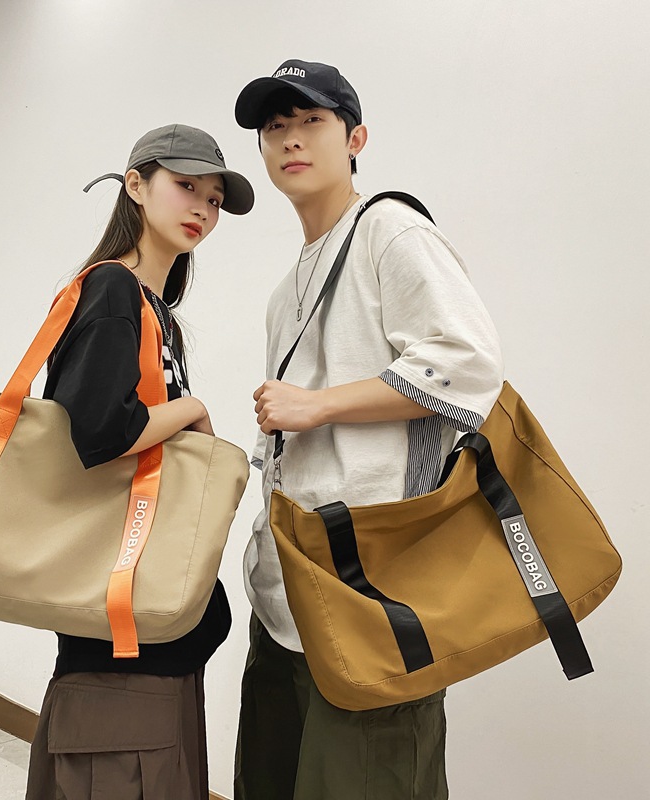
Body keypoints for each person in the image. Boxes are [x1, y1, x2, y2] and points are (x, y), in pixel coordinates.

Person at [233, 60, 504, 800]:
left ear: (355, 139)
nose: (291, 139)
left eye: (311, 121)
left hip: (372, 592)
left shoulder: (390, 229)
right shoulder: (286, 288)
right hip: (288, 594)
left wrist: (318, 405)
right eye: (274, 127)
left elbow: (468, 364)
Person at [25, 123, 254, 800]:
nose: (202, 209)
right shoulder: (111, 291)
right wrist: (193, 412)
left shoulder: (157, 314)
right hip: (117, 658)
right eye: (186, 187)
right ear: (135, 185)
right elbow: (97, 431)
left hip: (150, 640)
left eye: (214, 200)